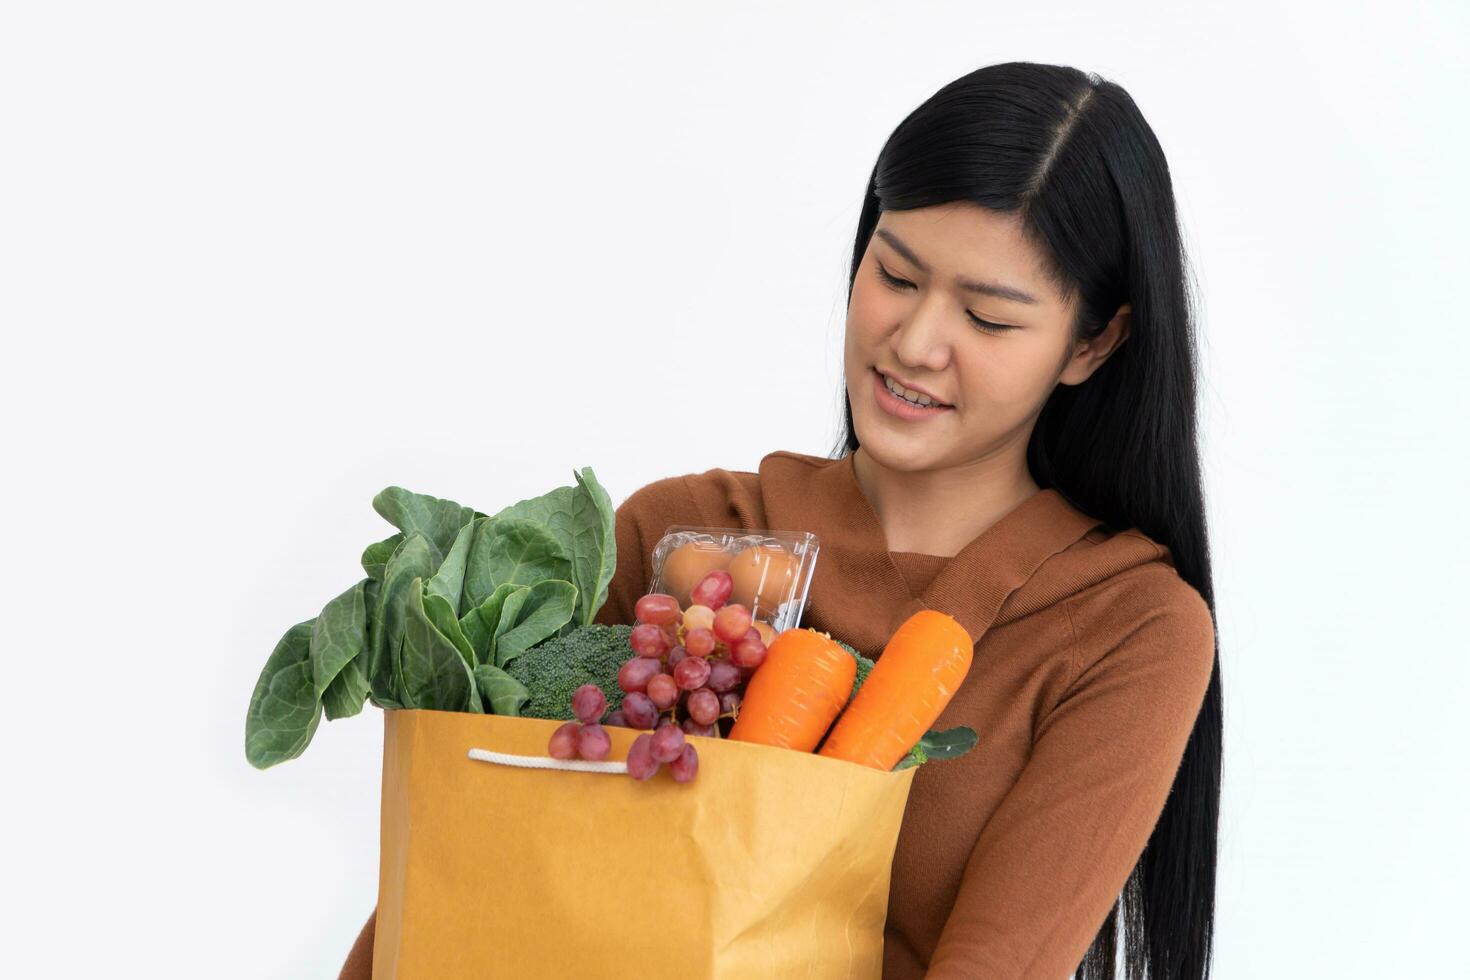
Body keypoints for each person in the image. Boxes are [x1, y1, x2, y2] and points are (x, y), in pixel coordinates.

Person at [340, 60, 1222, 980]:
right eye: (895, 275)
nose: (916, 343)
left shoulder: (1126, 627)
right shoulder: (677, 542)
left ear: (1092, 342)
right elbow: (458, 879)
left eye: (988, 319)